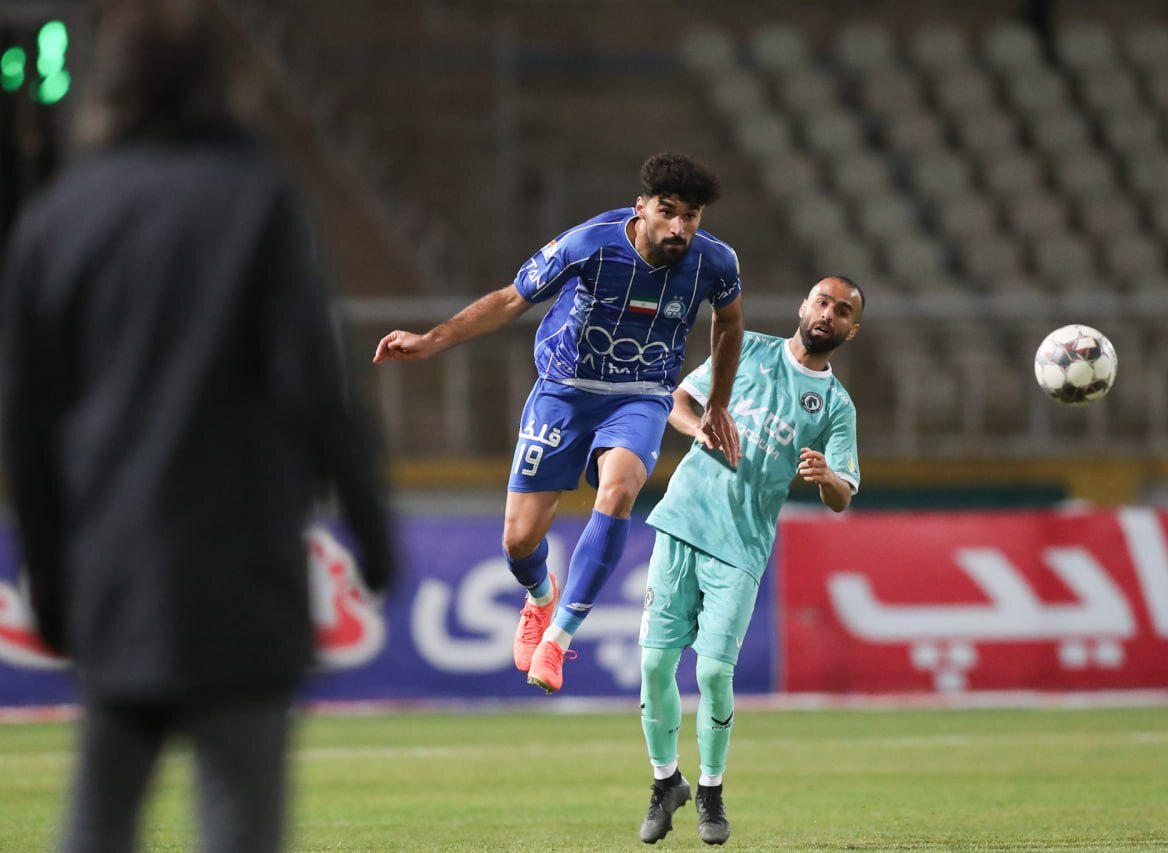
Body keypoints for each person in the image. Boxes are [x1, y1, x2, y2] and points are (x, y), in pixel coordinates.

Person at [0, 2, 395, 851]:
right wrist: (370, 524)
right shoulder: (258, 198)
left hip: (113, 568)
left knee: (98, 815)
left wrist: (49, 573)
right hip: (242, 570)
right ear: (221, 81)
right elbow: (316, 381)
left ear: (110, 84)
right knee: (240, 818)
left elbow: (28, 422)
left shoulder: (59, 218)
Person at [374, 152, 744, 693]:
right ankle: (540, 597)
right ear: (641, 208)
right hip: (564, 392)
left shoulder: (716, 263)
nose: (679, 227)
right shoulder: (589, 244)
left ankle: (558, 639)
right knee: (519, 540)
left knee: (619, 490)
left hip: (640, 395)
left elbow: (730, 323)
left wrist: (718, 403)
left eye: (691, 216)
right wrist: (431, 341)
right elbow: (510, 299)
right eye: (668, 212)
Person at [636, 276, 865, 845]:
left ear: (851, 330)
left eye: (842, 311)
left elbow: (842, 496)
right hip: (682, 519)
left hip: (741, 545)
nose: (828, 314)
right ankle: (665, 782)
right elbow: (677, 402)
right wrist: (701, 430)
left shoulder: (836, 406)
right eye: (822, 302)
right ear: (803, 305)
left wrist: (826, 477)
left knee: (713, 672)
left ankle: (710, 792)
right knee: (655, 665)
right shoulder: (747, 351)